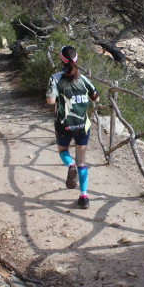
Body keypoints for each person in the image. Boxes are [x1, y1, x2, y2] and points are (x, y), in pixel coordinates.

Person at [46, 46, 99, 209]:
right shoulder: (83, 79)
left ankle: (70, 166)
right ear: (77, 59)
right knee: (82, 161)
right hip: (83, 125)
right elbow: (96, 98)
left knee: (63, 151)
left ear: (60, 59)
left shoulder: (55, 79)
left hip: (64, 124)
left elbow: (50, 101)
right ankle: (83, 196)